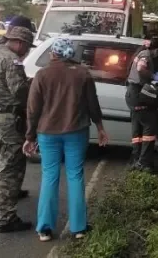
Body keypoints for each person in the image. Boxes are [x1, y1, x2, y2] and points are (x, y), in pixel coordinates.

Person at [24, 37, 109, 242]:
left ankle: (44, 228)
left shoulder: (42, 74)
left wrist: (29, 136)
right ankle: (79, 228)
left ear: (54, 53)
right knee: (75, 175)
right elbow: (92, 104)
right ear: (71, 54)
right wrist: (100, 128)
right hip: (76, 131)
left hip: (47, 134)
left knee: (50, 177)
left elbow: (33, 109)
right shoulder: (82, 74)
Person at [0, 25, 35, 232]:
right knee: (10, 166)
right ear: (19, 43)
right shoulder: (12, 60)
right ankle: (6, 217)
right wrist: (32, 89)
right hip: (8, 119)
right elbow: (19, 91)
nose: (28, 51)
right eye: (27, 46)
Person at [125, 36, 158, 172]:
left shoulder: (140, 52)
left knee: (137, 129)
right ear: (156, 49)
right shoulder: (146, 54)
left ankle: (136, 158)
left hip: (132, 94)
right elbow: (141, 68)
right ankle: (144, 163)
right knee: (150, 125)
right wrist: (153, 76)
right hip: (137, 93)